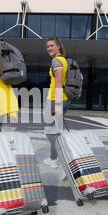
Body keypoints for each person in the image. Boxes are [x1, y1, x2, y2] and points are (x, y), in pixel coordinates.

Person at [43, 37, 69, 175]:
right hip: (61, 99)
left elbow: (58, 84)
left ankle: (65, 162)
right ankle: (53, 159)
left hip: (55, 99)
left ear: (59, 46)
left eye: (52, 45)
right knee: (56, 131)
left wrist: (56, 105)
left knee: (50, 132)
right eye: (48, 46)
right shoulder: (64, 60)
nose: (49, 48)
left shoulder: (57, 61)